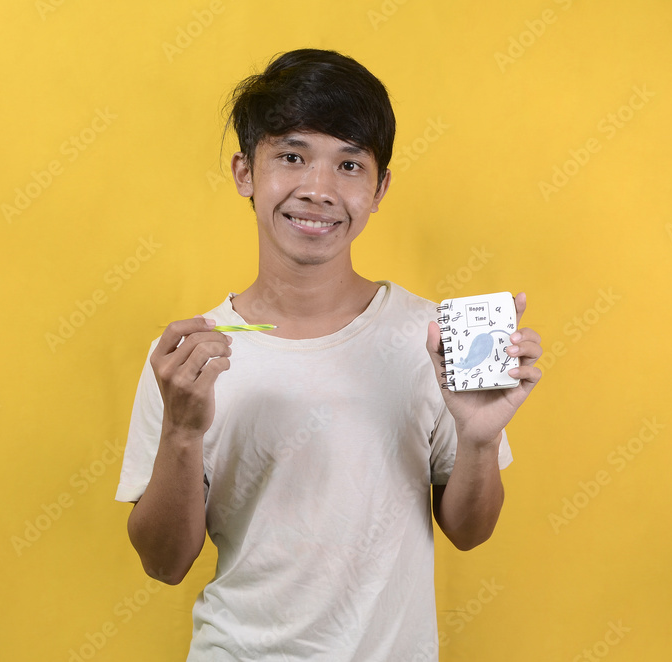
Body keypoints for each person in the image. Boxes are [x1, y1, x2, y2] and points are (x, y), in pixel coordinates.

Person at [115, 48, 543, 661]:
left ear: (379, 188)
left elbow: (470, 532)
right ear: (244, 172)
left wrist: (478, 440)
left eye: (349, 164)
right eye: (292, 157)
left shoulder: (431, 336)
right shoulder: (188, 360)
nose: (318, 190)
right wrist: (181, 432)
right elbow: (164, 563)